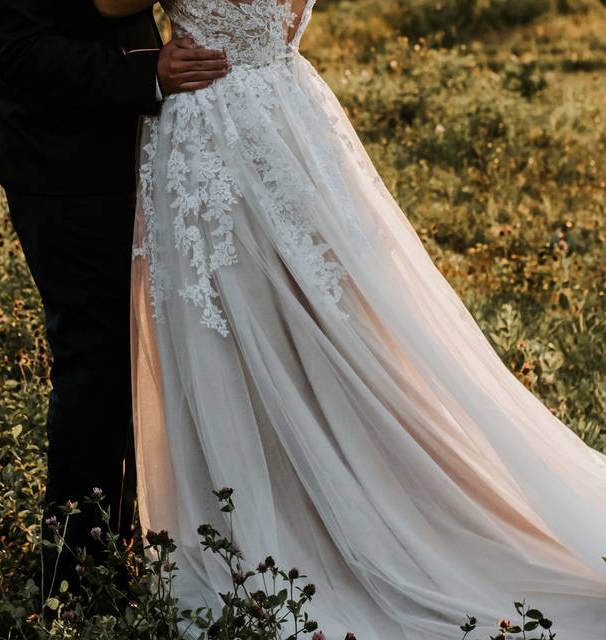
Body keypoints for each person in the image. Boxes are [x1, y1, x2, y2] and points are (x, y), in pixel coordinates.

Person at [83, 0, 606, 637]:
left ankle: (288, 524)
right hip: (291, 113)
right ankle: (357, 503)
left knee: (239, 337)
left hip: (216, 127)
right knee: (330, 323)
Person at [0, 0, 229, 594]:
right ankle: (71, 576)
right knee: (92, 356)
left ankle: (131, 541)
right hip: (61, 167)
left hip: (146, 148)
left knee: (140, 348)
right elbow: (22, 53)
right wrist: (147, 75)